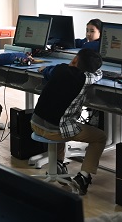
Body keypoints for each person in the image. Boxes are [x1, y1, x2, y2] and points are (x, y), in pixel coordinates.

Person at [30, 48, 104, 195]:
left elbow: (48, 71)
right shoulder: (85, 79)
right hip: (55, 130)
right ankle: (83, 177)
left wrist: (44, 69)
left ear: (75, 59)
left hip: (35, 123)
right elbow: (98, 75)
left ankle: (58, 164)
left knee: (62, 122)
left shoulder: (60, 69)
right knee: (100, 137)